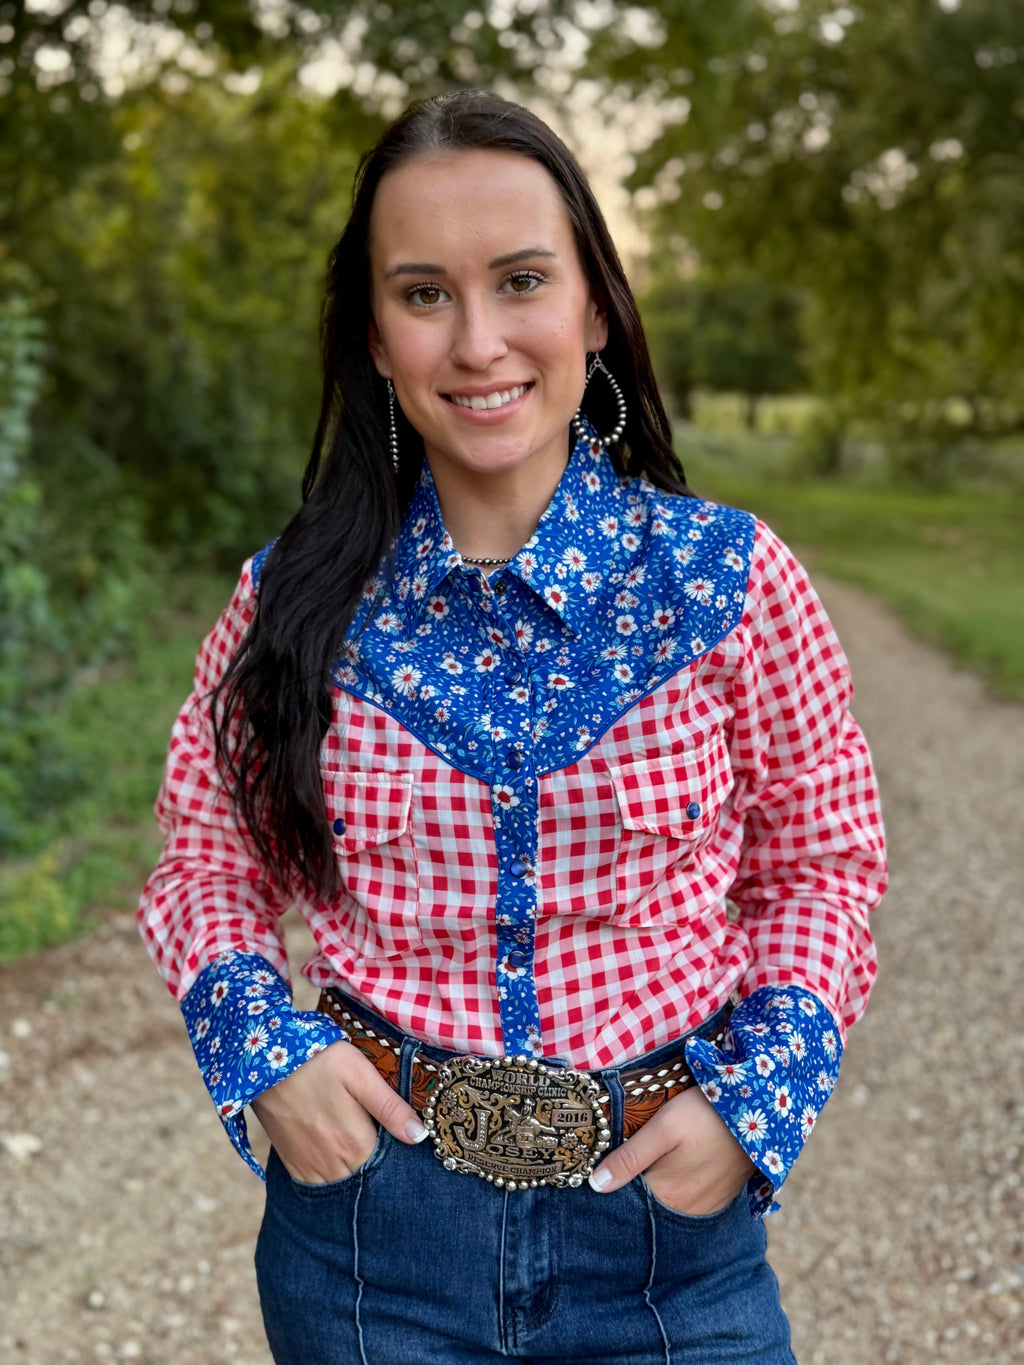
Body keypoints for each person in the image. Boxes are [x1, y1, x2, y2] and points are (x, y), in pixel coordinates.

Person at [138, 89, 886, 1364]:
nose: (477, 341)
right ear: (374, 335)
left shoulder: (727, 583)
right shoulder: (289, 601)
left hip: (664, 1243)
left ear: (594, 303)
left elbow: (823, 864)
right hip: (373, 1239)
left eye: (521, 281)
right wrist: (270, 1057)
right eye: (423, 293)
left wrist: (751, 1101)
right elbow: (208, 861)